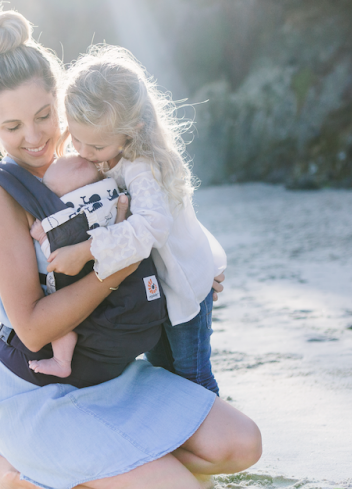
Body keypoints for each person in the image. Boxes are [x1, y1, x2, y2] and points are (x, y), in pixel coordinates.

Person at [0, 7, 262, 489]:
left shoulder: (95, 151)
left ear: (61, 102)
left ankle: (93, 474)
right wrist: (113, 271)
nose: (35, 138)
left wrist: (199, 266)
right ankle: (18, 476)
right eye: (11, 126)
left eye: (43, 115)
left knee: (242, 444)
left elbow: (162, 212)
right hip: (40, 394)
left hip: (108, 372)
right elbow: (32, 327)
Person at [46, 44, 227, 395]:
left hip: (182, 285)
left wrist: (87, 250)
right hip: (152, 288)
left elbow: (155, 225)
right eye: (76, 138)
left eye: (96, 146)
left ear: (133, 130)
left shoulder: (140, 166)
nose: (83, 152)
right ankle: (183, 438)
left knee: (191, 373)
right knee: (161, 369)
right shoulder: (101, 155)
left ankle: (216, 442)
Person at [27, 154, 130, 378]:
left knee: (60, 326)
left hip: (80, 293)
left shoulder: (67, 223)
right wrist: (122, 209)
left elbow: (55, 256)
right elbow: (124, 232)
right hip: (122, 291)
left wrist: (41, 236)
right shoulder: (110, 201)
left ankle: (61, 361)